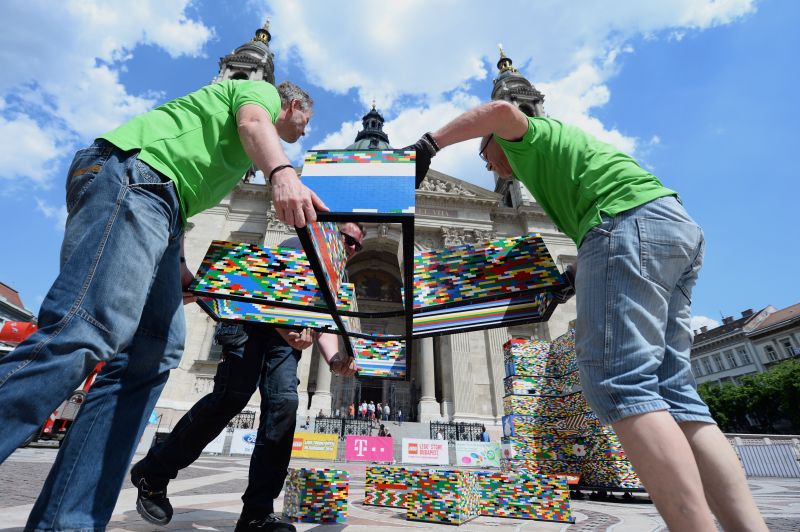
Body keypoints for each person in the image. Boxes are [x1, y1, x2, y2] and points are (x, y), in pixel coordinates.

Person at [408, 100, 767, 532]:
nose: (489, 169)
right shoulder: (564, 160)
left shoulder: (525, 138)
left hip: (624, 224)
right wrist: (569, 278)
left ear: (493, 138)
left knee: (620, 383)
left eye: (485, 156)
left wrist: (431, 144)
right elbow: (602, 238)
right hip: (672, 227)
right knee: (676, 393)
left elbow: (501, 109)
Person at [0, 79, 328, 531]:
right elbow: (253, 121)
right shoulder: (260, 95)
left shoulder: (234, 160)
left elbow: (182, 205)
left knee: (152, 356)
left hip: (162, 205)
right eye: (305, 122)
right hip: (134, 177)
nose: (305, 132)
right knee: (85, 330)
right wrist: (282, 172)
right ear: (292, 105)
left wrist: (181, 268)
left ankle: (67, 524)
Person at [130, 224, 364, 531]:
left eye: (358, 246)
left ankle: (257, 513)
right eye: (348, 240)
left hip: (285, 342)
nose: (352, 249)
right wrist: (291, 332)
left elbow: (320, 324)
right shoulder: (298, 245)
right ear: (330, 233)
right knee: (231, 397)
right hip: (249, 325)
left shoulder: (338, 274)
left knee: (284, 406)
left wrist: (335, 361)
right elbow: (262, 293)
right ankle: (154, 472)